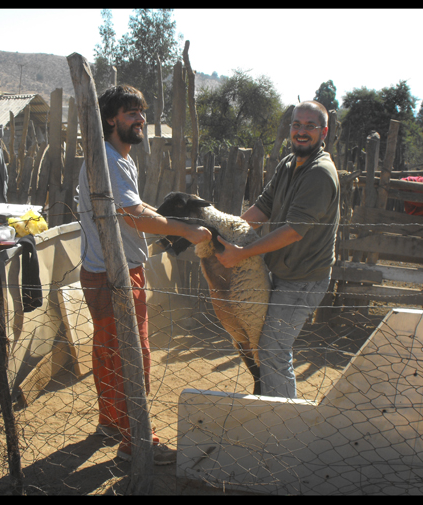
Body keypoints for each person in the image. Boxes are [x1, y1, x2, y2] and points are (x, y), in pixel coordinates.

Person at [78, 85, 211, 465]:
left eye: (141, 112)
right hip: (117, 276)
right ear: (110, 119)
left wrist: (170, 221)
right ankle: (136, 441)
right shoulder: (110, 159)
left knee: (108, 350)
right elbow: (133, 215)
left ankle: (110, 422)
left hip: (99, 271)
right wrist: (185, 230)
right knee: (132, 356)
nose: (140, 119)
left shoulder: (112, 157)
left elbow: (134, 207)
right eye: (130, 112)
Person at [215, 101, 340, 398]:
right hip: (282, 273)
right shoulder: (288, 165)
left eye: (310, 126)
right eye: (297, 125)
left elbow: (294, 231)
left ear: (323, 132)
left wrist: (240, 253)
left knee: (272, 349)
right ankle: (274, 413)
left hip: (303, 279)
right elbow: (262, 208)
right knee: (265, 346)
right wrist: (223, 236)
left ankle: (284, 425)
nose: (301, 132)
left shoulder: (319, 174)